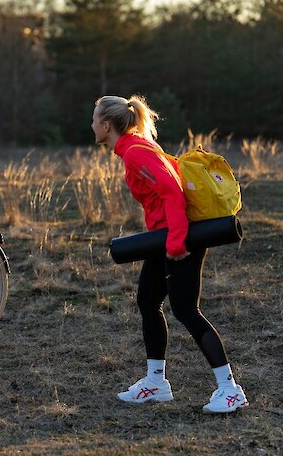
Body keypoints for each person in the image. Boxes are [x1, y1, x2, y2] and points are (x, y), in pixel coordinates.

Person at [91, 94, 247, 413]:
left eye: (94, 118)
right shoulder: (135, 147)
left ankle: (230, 389)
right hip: (162, 236)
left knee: (186, 309)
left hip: (178, 236)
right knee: (148, 301)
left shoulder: (135, 152)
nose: (91, 124)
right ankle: (156, 383)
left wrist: (176, 242)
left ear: (106, 125)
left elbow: (172, 191)